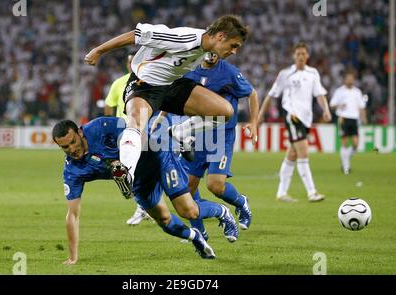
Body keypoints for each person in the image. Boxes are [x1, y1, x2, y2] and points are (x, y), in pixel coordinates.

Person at [85, 15, 250, 198]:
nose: (234, 51)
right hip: (145, 84)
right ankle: (126, 173)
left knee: (224, 111)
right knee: (135, 125)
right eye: (234, 45)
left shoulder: (208, 49)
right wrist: (98, 51)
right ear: (220, 36)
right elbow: (137, 34)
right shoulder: (183, 39)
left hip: (173, 85)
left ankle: (180, 132)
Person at [52, 117, 239, 264]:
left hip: (158, 159)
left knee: (188, 211)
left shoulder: (101, 126)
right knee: (165, 221)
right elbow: (73, 215)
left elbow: (136, 134)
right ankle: (195, 237)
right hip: (139, 183)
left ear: (80, 132)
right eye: (64, 147)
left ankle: (223, 212)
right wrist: (73, 256)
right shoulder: (73, 171)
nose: (71, 149)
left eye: (73, 142)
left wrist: (125, 162)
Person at [153, 53, 258, 238]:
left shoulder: (229, 72)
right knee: (188, 190)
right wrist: (161, 117)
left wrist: (254, 121)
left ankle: (241, 202)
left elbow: (251, 93)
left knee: (215, 186)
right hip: (197, 135)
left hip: (221, 134)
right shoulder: (190, 70)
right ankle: (199, 232)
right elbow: (175, 95)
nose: (212, 54)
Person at [258, 42, 332, 203]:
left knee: (292, 154)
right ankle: (312, 192)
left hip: (306, 119)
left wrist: (326, 109)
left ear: (308, 56)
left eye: (303, 54)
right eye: (298, 54)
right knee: (303, 152)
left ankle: (281, 193)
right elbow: (271, 95)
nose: (301, 57)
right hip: (292, 117)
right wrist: (261, 115)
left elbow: (319, 95)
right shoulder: (285, 74)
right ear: (293, 56)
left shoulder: (313, 73)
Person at [104, 53, 151, 225]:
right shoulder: (118, 83)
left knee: (140, 170)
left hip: (142, 130)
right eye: (129, 61)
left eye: (134, 61)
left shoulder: (150, 80)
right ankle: (144, 207)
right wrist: (110, 128)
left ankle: (144, 207)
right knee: (131, 170)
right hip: (122, 133)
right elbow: (109, 106)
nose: (132, 64)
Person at [329, 72, 367, 174]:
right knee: (344, 143)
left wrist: (364, 118)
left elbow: (361, 107)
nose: (350, 80)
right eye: (348, 78)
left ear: (354, 80)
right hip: (343, 118)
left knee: (356, 144)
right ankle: (346, 166)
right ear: (344, 80)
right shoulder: (339, 91)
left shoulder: (357, 92)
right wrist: (339, 105)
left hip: (354, 118)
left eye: (351, 79)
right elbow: (331, 105)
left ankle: (346, 160)